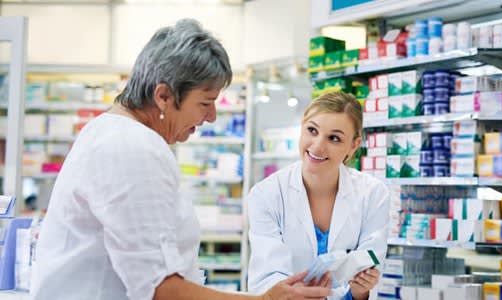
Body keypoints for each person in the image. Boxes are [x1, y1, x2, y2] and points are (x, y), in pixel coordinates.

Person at [31, 19, 331, 300]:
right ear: (163, 96)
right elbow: (160, 290)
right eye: (205, 102)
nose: (211, 117)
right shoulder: (132, 146)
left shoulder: (115, 133)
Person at [247, 92, 390, 300]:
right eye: (312, 130)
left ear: (354, 145)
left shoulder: (373, 194)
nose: (317, 146)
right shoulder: (266, 194)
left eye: (334, 138)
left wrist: (361, 289)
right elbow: (267, 275)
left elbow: (370, 272)